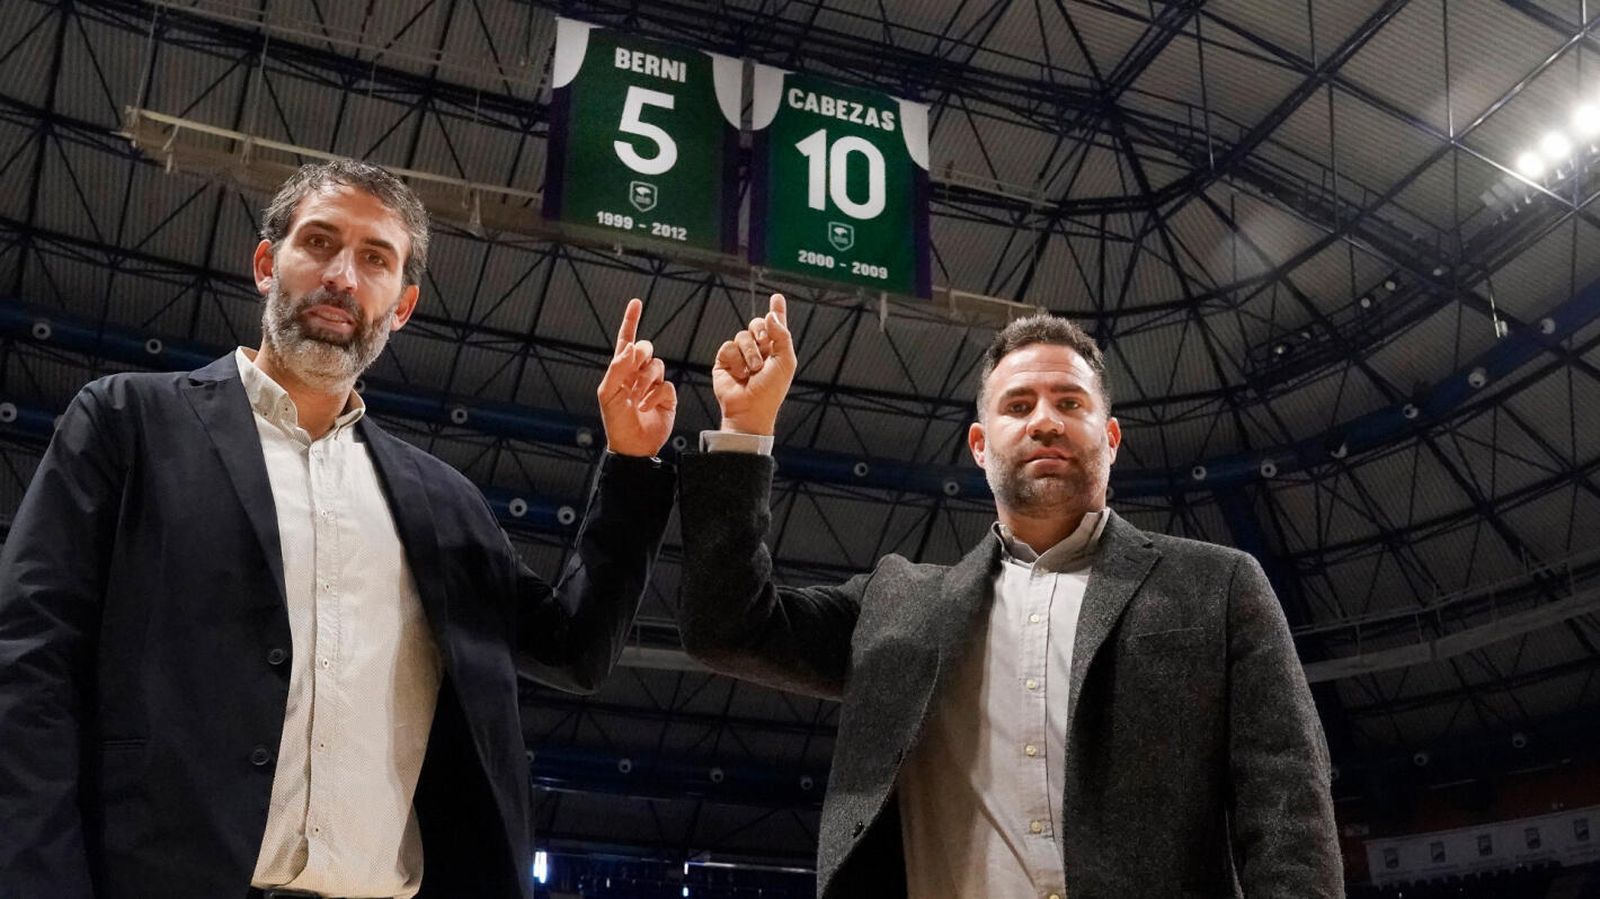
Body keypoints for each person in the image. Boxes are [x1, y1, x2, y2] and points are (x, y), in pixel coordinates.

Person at [0, 159, 679, 899]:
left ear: (404, 304)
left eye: (375, 258)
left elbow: (574, 648)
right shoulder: (127, 423)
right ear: (267, 263)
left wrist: (632, 461)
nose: (342, 276)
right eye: (319, 243)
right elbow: (29, 665)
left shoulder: (444, 502)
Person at [677, 296, 1342, 898]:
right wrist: (743, 427)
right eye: (1019, 406)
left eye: (1071, 403)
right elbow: (726, 626)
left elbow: (1287, 807)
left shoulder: (1218, 584)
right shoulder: (897, 605)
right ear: (978, 445)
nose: (1044, 421)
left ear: (1110, 440)